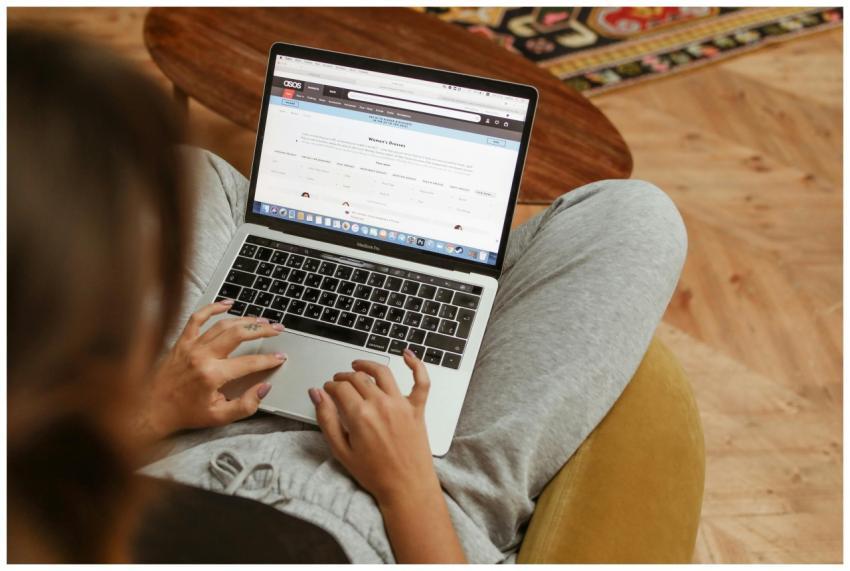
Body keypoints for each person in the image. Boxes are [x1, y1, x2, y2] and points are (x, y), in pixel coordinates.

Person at [8, 29, 687, 564]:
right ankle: (442, 262)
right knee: (638, 217)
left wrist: (154, 407)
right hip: (419, 496)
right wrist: (409, 485)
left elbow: (54, 484)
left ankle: (378, 249)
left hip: (194, 434)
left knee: (201, 175)